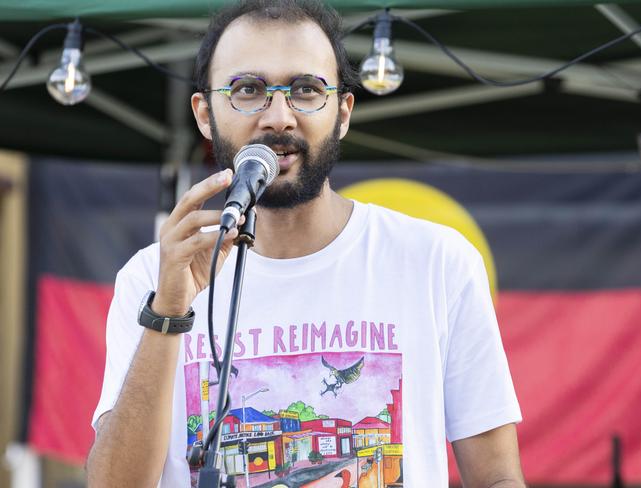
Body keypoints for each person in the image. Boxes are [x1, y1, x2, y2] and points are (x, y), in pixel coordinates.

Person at [86, 1, 525, 487]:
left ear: (342, 113)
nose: (279, 117)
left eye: (306, 90)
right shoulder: (151, 278)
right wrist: (167, 312)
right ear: (205, 115)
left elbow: (498, 477)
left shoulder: (436, 262)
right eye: (248, 90)